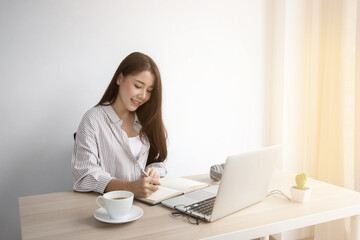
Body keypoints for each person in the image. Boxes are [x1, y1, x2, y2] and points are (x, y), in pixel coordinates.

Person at [72, 52, 167, 198]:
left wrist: (153, 171)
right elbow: (85, 175)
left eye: (149, 91)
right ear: (120, 78)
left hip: (145, 204)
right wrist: (129, 188)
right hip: (107, 207)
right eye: (137, 86)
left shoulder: (146, 119)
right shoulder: (93, 119)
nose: (143, 96)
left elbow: (158, 161)